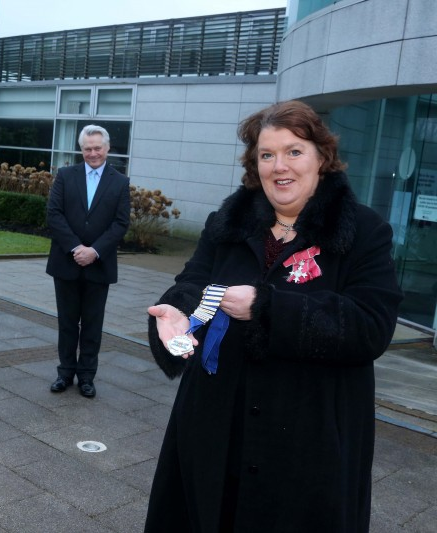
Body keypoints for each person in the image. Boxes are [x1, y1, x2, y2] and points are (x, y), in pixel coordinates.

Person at [143, 100, 403, 532]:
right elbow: (193, 281)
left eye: (294, 151)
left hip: (308, 438)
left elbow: (370, 326)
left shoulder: (363, 230)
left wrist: (266, 307)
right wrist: (177, 313)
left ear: (322, 157)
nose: (279, 166)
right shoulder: (228, 223)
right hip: (216, 424)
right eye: (266, 155)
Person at [46, 124, 131, 398]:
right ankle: (65, 373)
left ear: (107, 149)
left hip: (99, 264)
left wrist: (94, 251)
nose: (93, 153)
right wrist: (75, 247)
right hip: (66, 262)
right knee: (67, 323)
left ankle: (86, 377)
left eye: (97, 148)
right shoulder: (65, 176)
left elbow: (120, 224)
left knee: (93, 325)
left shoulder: (120, 182)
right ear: (81, 150)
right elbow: (54, 215)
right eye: (87, 149)